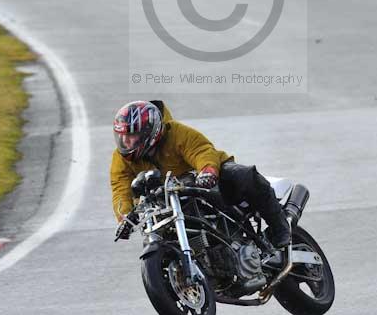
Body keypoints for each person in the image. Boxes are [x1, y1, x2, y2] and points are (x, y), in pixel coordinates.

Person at [110, 99, 291, 248]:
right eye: (122, 137)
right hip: (165, 199)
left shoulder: (175, 133)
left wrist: (208, 171)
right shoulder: (121, 158)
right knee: (156, 236)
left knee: (244, 176)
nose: (125, 142)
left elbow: (200, 150)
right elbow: (120, 188)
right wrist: (125, 218)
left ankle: (280, 227)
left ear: (148, 131)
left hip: (204, 180)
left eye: (131, 136)